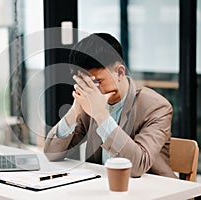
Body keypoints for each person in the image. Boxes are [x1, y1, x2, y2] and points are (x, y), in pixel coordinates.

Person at [43, 33, 177, 178]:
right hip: (103, 188)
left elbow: (137, 167)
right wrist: (75, 110)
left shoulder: (157, 107)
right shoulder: (90, 103)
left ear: (119, 72)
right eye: (85, 83)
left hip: (154, 190)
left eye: (97, 82)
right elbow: (52, 154)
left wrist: (101, 115)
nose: (92, 90)